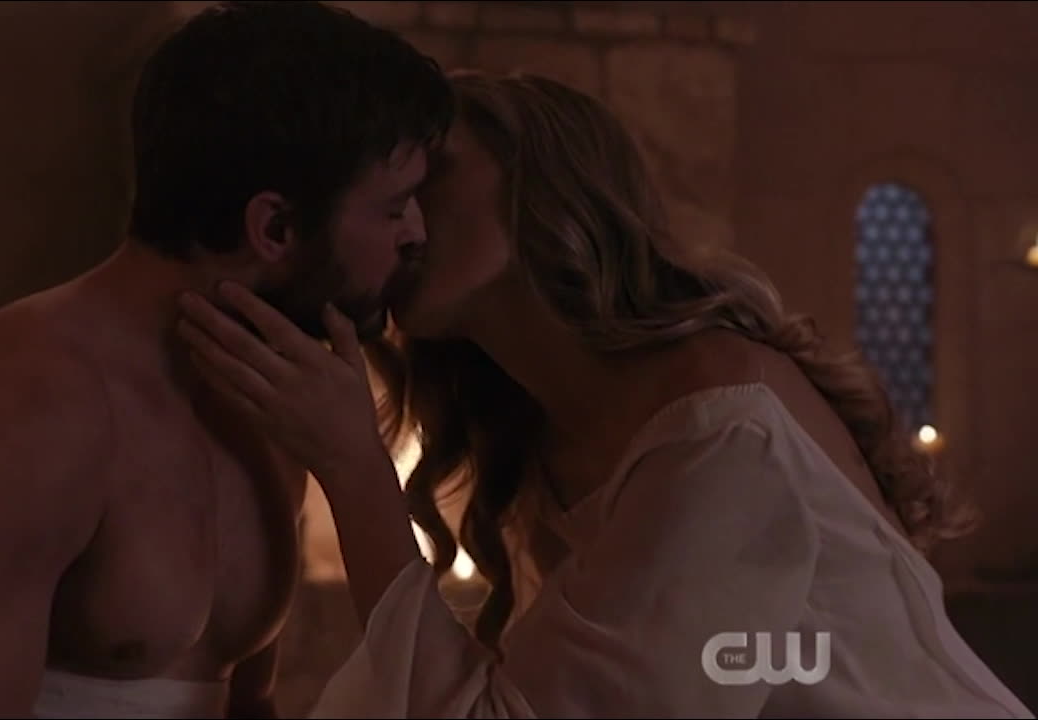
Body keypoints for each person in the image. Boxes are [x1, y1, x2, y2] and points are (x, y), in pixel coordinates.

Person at [174, 70, 1035, 718]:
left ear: (547, 185)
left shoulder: (719, 423)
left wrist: (354, 469)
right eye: (387, 192)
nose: (403, 214)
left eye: (432, 173)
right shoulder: (550, 433)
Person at [0, 2, 452, 717]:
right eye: (394, 207)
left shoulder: (268, 399)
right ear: (276, 227)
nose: (418, 234)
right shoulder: (24, 414)